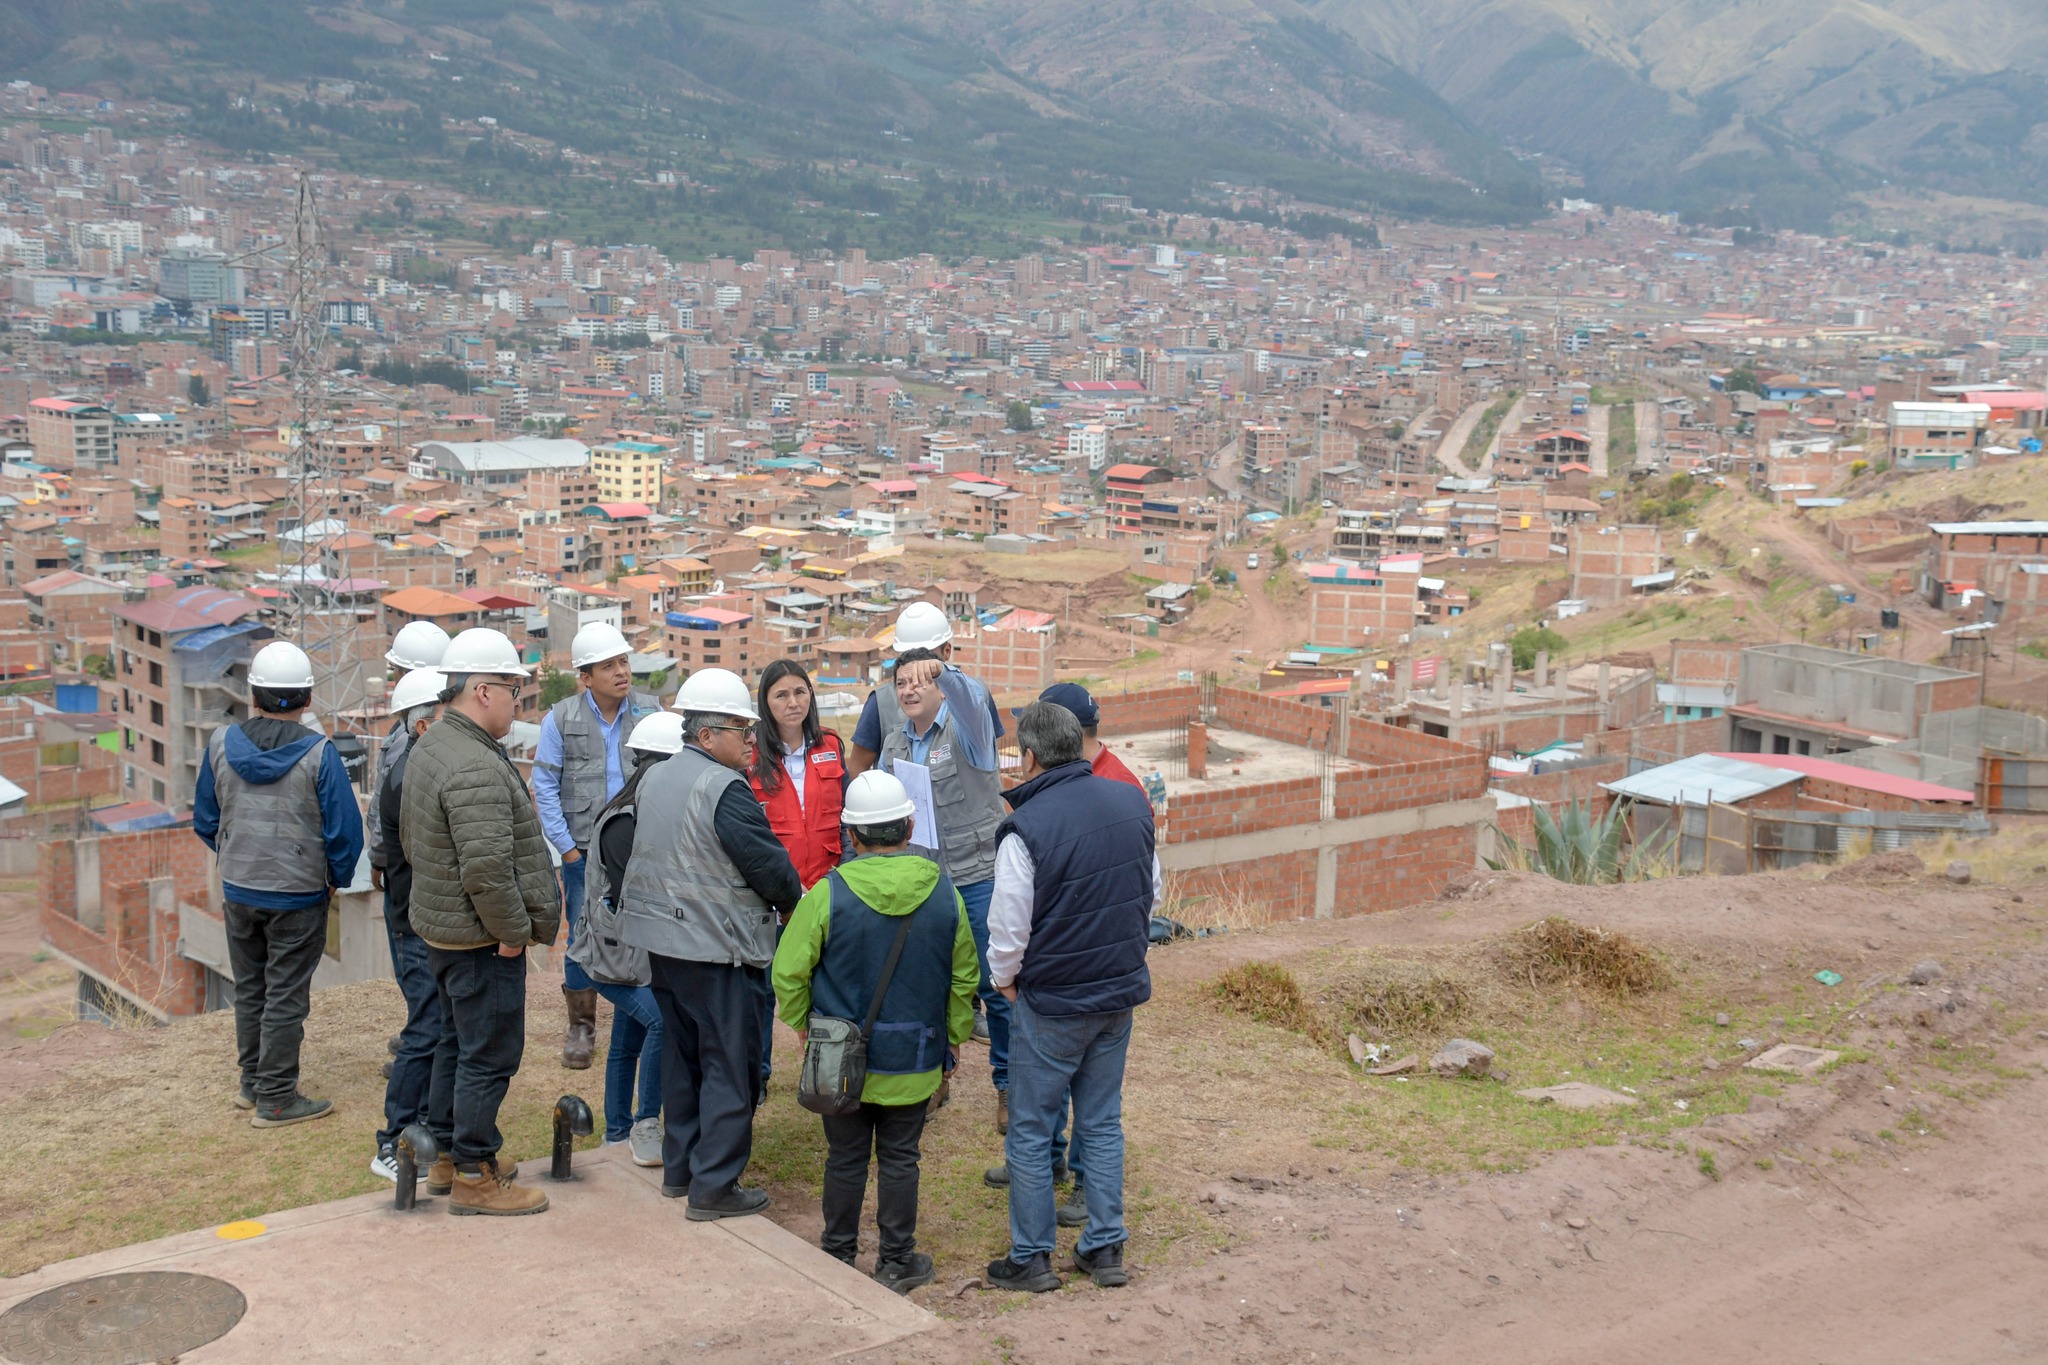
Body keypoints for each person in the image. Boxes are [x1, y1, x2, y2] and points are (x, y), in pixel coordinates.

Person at [772, 772, 978, 1294]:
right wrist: (952, 1039)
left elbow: (788, 972)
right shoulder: (945, 895)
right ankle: (896, 1260)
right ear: (909, 825)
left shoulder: (826, 896)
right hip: (915, 1057)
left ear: (852, 836)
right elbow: (963, 978)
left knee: (844, 1157)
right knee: (901, 1157)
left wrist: (803, 1027)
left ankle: (838, 1254)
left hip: (839, 1063)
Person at [614, 669, 803, 1221]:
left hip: (664, 946)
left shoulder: (656, 778)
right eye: (739, 728)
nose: (751, 738)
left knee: (684, 1055)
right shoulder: (724, 788)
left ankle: (682, 1170)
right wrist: (792, 903)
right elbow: (770, 868)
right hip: (714, 946)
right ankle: (715, 1186)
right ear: (704, 736)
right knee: (728, 1063)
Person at [984, 703, 1160, 1294]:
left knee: (1031, 1131)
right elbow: (1149, 890)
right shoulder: (1132, 801)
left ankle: (1032, 1257)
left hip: (1052, 1001)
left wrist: (1006, 982)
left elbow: (1008, 925)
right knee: (1103, 1119)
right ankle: (1105, 1246)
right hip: (1117, 994)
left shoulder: (1025, 827)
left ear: (1030, 758)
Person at [401, 628, 562, 1216]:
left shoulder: (435, 743)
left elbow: (414, 840)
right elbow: (489, 872)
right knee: (489, 1053)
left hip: (444, 929)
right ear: (483, 690)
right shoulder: (474, 765)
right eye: (513, 691)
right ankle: (474, 1170)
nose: (518, 704)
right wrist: (513, 934)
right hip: (480, 937)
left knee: (455, 1043)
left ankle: (447, 1154)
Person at [193, 641, 364, 1129]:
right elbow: (344, 832)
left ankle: (253, 1084)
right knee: (286, 992)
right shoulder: (319, 754)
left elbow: (206, 819)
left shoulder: (220, 744)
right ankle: (275, 1098)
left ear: (253, 695)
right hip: (299, 895)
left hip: (240, 890)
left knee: (252, 988)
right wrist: (335, 879)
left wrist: (238, 858)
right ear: (307, 699)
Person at [877, 644, 1013, 1132]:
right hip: (924, 881)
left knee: (995, 985)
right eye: (902, 683)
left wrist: (948, 672)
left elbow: (975, 701)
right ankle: (937, 1077)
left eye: (921, 681)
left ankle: (1009, 1086)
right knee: (929, 986)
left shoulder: (968, 731)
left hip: (977, 877)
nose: (910, 689)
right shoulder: (894, 743)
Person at [532, 621, 661, 1071]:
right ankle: (581, 1028)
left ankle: (643, 1018)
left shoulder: (650, 712)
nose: (621, 672)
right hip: (582, 850)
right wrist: (566, 849)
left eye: (623, 661)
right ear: (585, 677)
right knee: (583, 933)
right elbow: (544, 785)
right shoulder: (560, 719)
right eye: (608, 666)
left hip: (637, 848)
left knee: (645, 929)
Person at [579, 710, 687, 1168]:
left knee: (629, 1038)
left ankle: (616, 1131)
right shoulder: (624, 822)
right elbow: (637, 901)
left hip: (635, 958)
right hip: (615, 959)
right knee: (661, 1023)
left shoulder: (647, 812)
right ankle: (645, 1122)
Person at [747, 659, 847, 1095]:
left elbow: (844, 822)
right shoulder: (750, 757)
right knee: (765, 989)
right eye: (781, 695)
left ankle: (826, 1067)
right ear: (765, 704)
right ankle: (760, 1075)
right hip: (774, 894)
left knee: (828, 984)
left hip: (828, 888)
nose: (793, 703)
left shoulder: (830, 745)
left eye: (800, 692)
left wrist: (845, 877)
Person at [369, 667, 447, 1180]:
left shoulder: (413, 766)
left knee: (437, 1025)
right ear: (422, 725)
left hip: (418, 917)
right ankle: (393, 1142)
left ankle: (426, 1126)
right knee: (427, 1026)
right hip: (414, 920)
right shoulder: (408, 776)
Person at [368, 622, 451, 1076]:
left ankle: (421, 1042)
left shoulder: (411, 733)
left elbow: (386, 804)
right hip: (424, 877)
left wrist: (378, 857)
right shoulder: (445, 722)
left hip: (409, 877)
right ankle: (423, 1030)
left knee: (415, 965)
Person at [845, 601, 1005, 779]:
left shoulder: (976, 695)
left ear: (946, 652)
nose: (916, 665)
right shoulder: (881, 704)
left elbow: (990, 762)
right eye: (907, 655)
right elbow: (857, 770)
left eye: (926, 659)